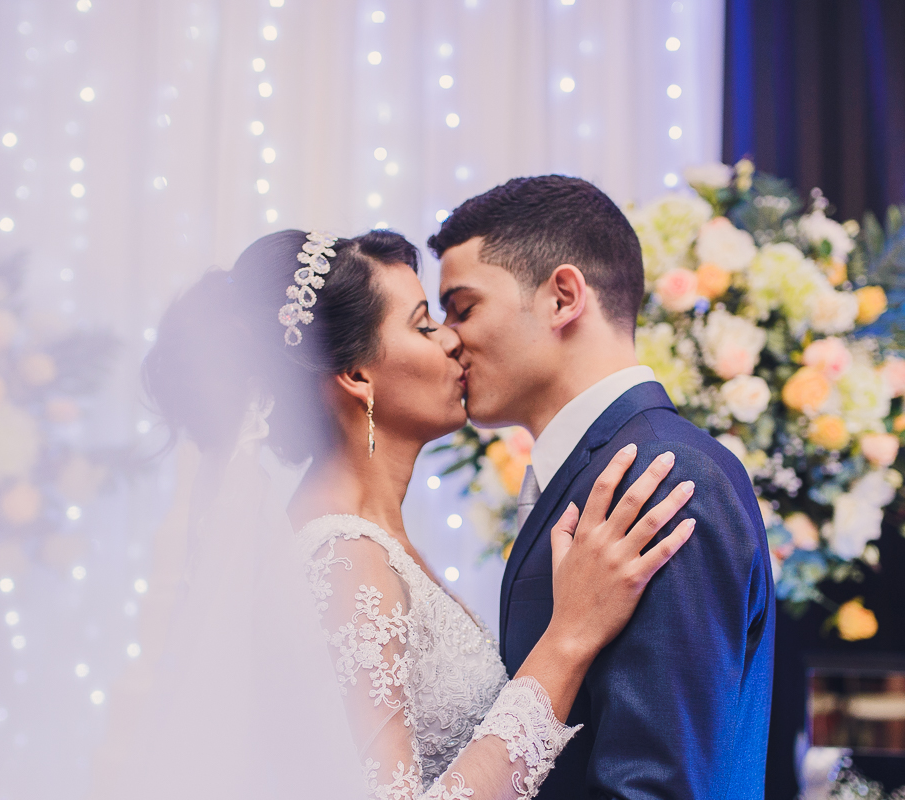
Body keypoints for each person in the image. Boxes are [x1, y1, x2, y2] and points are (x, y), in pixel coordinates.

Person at [136, 228, 696, 799]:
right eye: (424, 324)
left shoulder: (375, 543)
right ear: (357, 375)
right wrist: (569, 638)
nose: (452, 339)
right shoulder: (342, 559)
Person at [430, 176, 775, 799]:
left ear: (563, 297)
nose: (449, 336)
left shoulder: (665, 474)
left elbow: (656, 784)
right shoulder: (603, 467)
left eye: (464, 307)